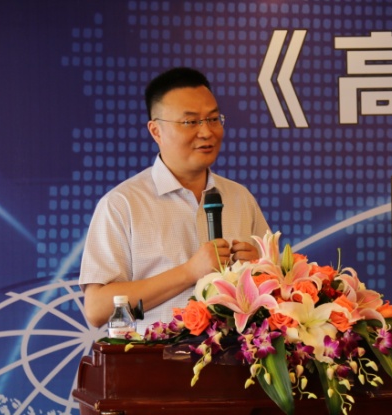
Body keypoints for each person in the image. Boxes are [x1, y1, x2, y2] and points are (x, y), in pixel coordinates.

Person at [79, 67, 270, 333]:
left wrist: (260, 269)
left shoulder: (240, 198)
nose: (206, 132)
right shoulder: (123, 204)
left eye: (213, 119)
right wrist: (189, 272)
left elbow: (275, 289)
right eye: (191, 122)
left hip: (234, 355)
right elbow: (97, 308)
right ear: (156, 130)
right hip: (155, 356)